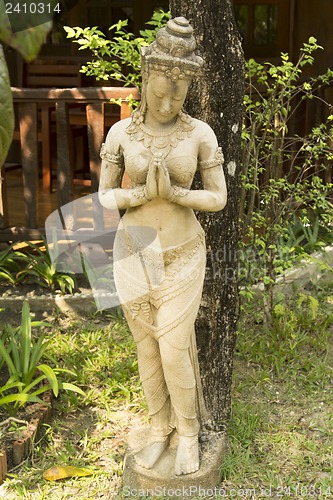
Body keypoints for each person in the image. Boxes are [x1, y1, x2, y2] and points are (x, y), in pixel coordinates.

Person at [98, 16, 227, 476]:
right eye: (160, 91)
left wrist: (175, 195)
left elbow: (217, 197)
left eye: (179, 93)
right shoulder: (120, 134)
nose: (169, 101)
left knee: (173, 344)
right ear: (144, 78)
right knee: (146, 347)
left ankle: (188, 432)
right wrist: (136, 196)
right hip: (133, 250)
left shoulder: (199, 134)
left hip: (183, 251)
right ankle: (159, 429)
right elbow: (103, 193)